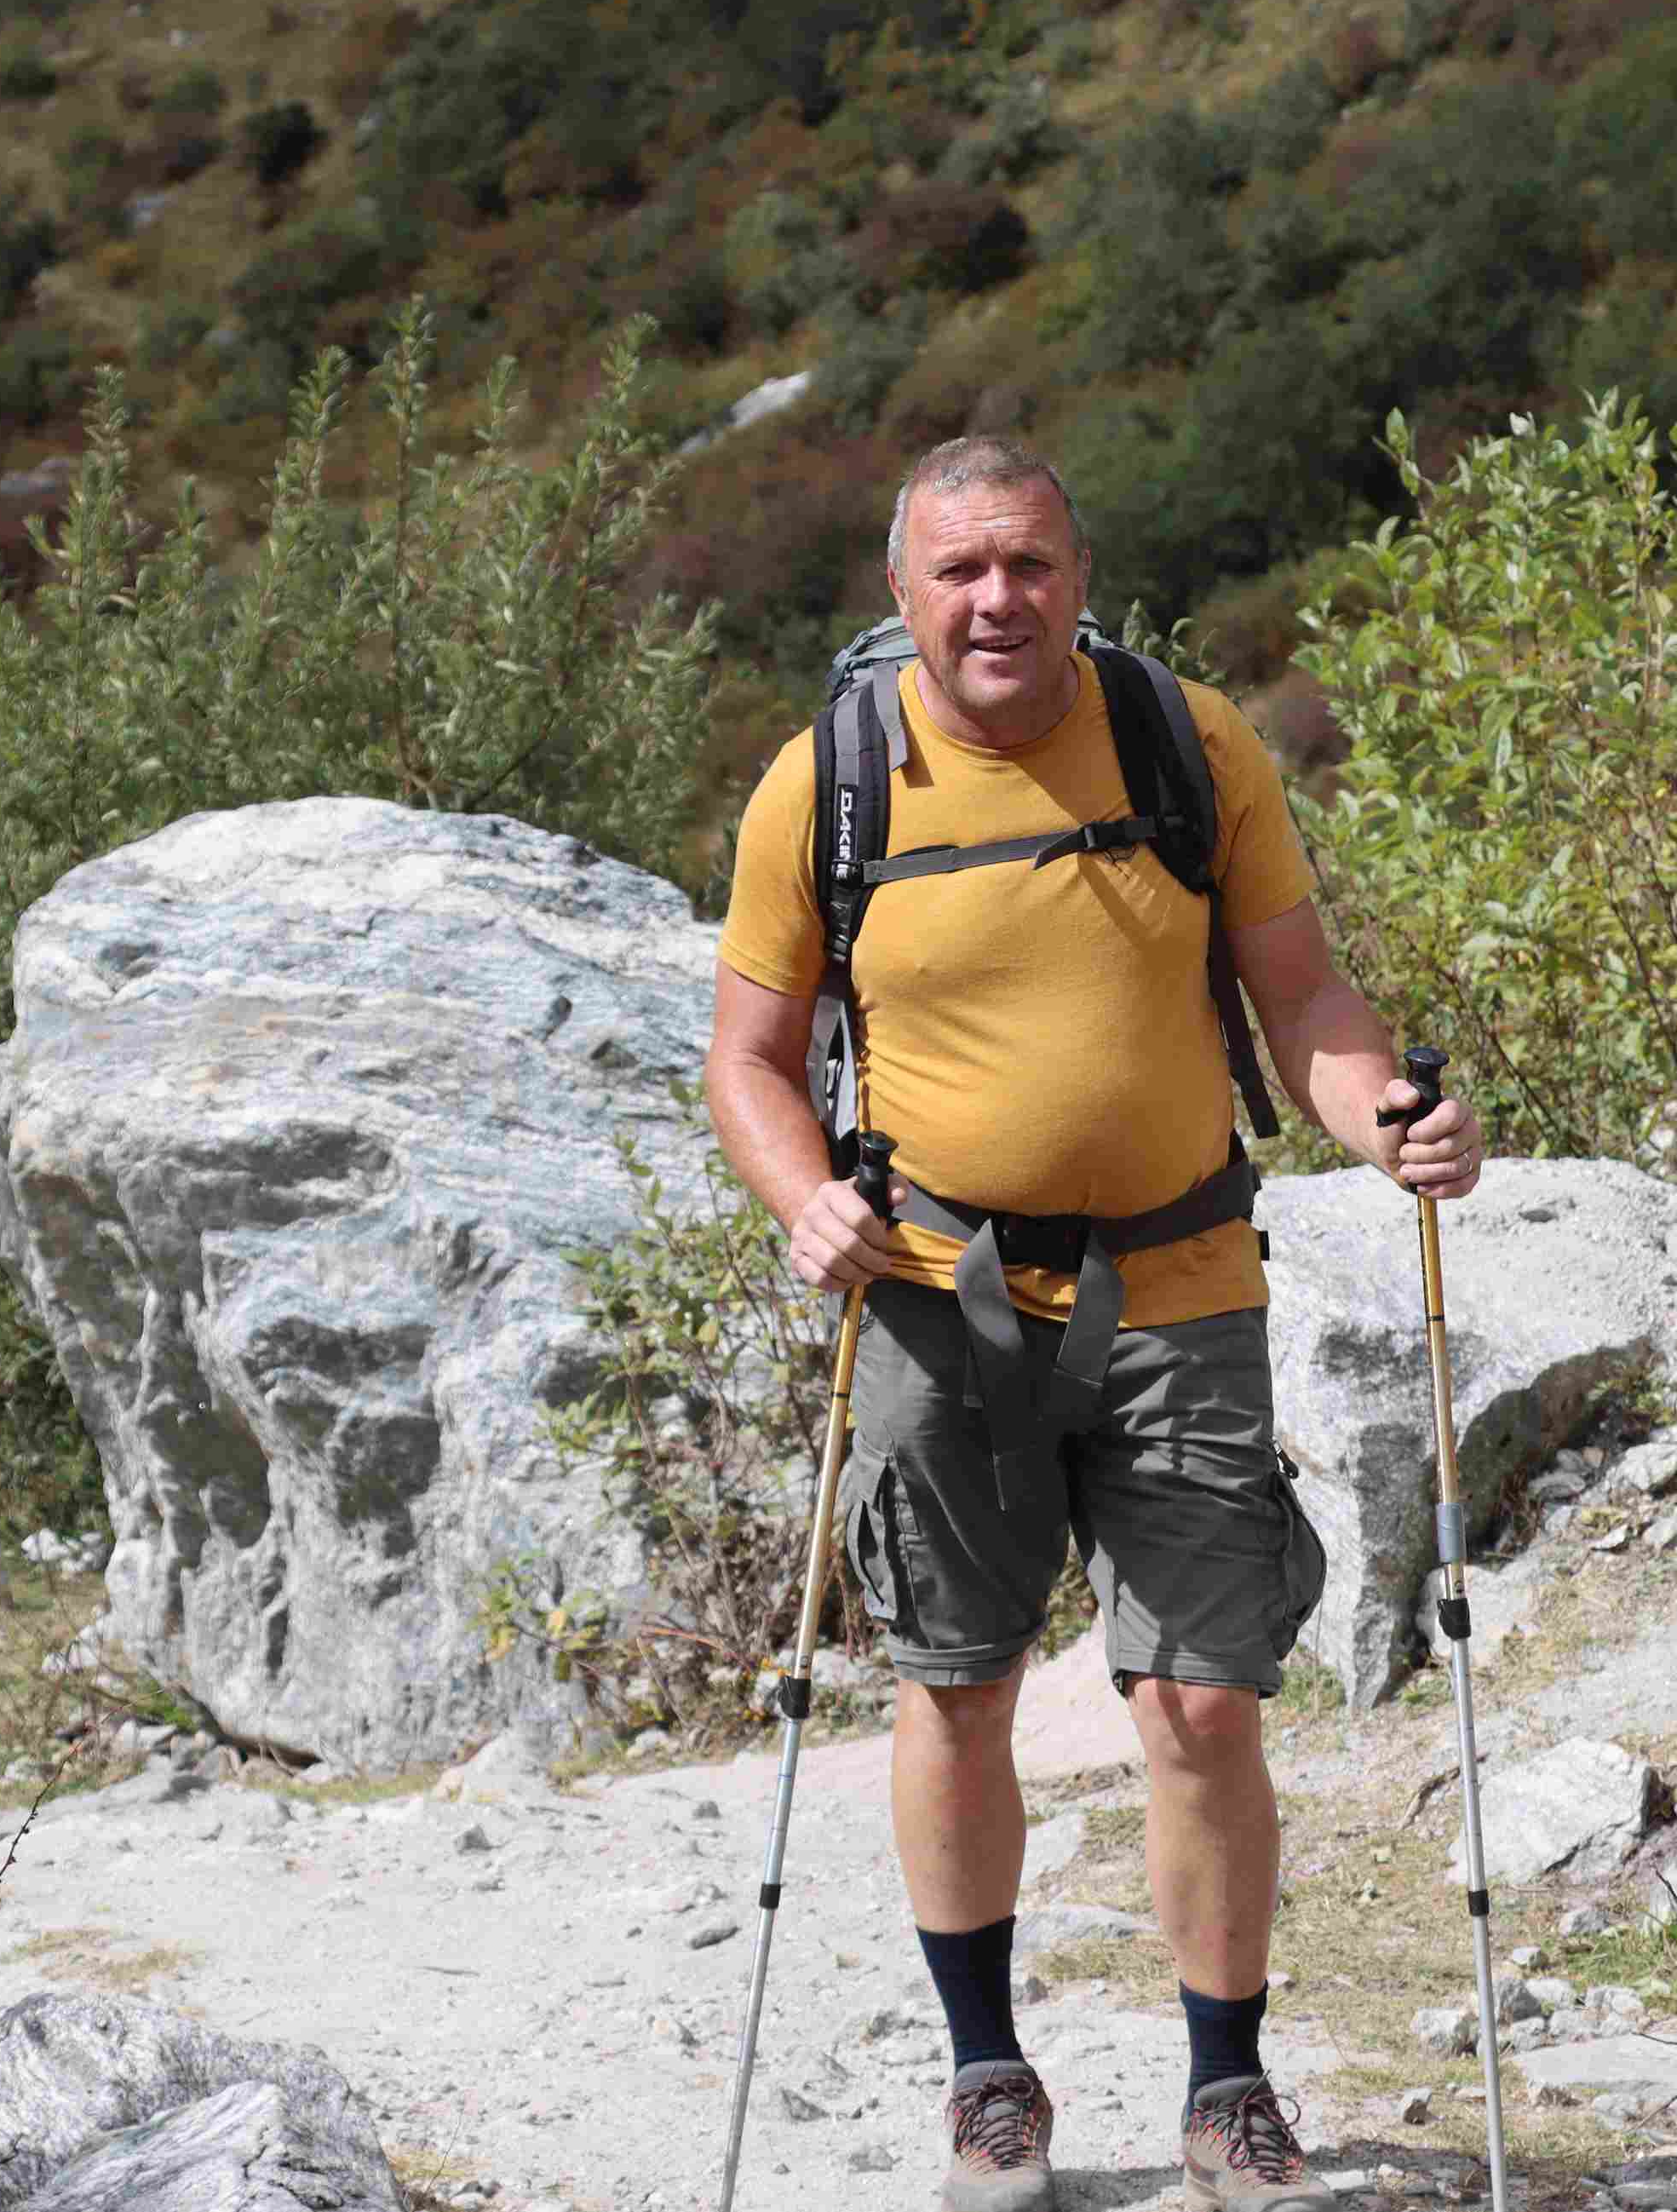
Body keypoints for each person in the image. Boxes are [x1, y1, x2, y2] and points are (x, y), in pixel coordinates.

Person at [707, 437, 1484, 2211]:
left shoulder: (1184, 742)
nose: (1000, 601)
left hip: (1182, 1279)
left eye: (1031, 564)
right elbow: (748, 1061)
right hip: (926, 1295)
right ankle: (990, 2076)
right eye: (961, 571)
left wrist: (1395, 1125)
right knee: (957, 1684)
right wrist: (800, 1192)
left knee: (1207, 1702)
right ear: (901, 596)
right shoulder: (822, 784)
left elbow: (1304, 998)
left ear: (1079, 572)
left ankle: (1229, 2087)